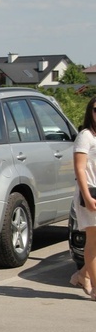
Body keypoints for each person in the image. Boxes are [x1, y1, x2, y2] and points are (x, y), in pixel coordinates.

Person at [71, 96, 96, 300]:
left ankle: (82, 276)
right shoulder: (86, 136)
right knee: (93, 241)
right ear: (91, 112)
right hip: (92, 193)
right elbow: (79, 168)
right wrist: (87, 197)